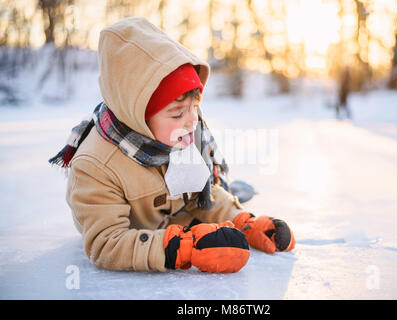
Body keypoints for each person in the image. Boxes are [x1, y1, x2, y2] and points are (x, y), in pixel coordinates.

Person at [49, 17, 295, 274]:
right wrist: (184, 247)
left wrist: (243, 222)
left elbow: (199, 196)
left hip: (176, 220)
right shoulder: (94, 165)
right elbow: (106, 243)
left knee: (226, 194)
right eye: (177, 113)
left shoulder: (179, 136)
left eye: (195, 108)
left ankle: (240, 196)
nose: (192, 122)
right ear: (138, 114)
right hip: (140, 240)